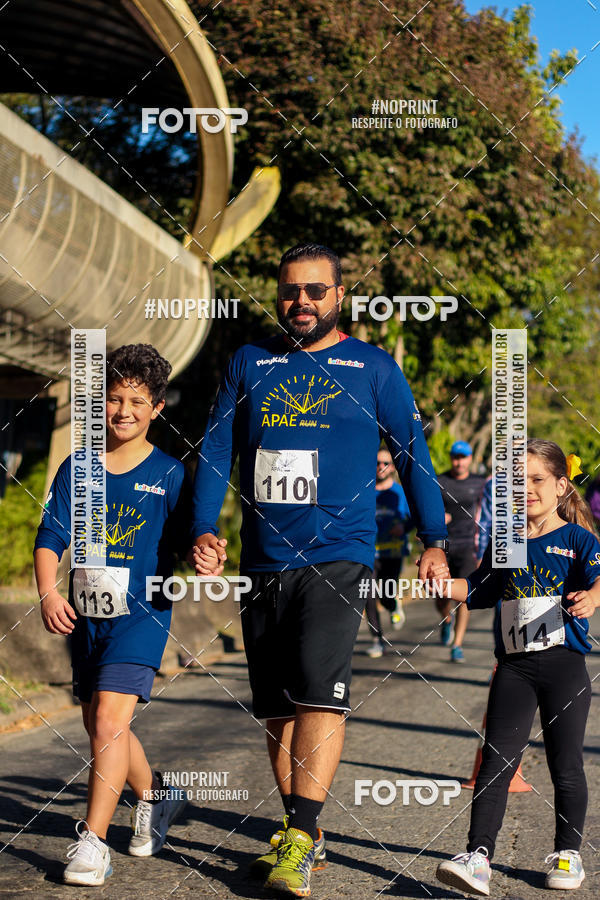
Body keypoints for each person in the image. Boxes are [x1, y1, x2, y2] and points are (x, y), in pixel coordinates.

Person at [190, 242, 448, 896]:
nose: (300, 301)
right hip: (263, 560)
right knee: (276, 711)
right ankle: (302, 830)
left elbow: (412, 454)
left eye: (315, 291)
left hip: (339, 554)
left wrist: (434, 537)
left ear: (338, 297)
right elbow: (216, 449)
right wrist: (202, 526)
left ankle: (302, 836)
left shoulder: (372, 368)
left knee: (317, 694)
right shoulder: (249, 363)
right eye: (290, 291)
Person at [34, 344, 219, 886]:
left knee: (111, 723)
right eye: (113, 399)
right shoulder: (79, 467)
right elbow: (50, 536)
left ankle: (93, 844)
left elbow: (191, 538)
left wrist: (205, 550)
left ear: (157, 407)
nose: (123, 411)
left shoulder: (170, 474)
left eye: (137, 401)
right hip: (87, 617)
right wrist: (48, 592)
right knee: (99, 723)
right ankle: (157, 796)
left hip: (142, 616)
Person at [431, 439, 600, 895]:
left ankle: (568, 855)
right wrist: (445, 582)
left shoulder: (577, 538)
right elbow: (483, 589)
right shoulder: (506, 541)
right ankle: (477, 857)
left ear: (562, 485)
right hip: (514, 668)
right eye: (515, 482)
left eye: (537, 480)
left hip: (564, 665)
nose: (525, 490)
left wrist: (594, 596)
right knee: (495, 762)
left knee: (565, 764)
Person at [435, 441, 486, 663]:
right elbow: (429, 508)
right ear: (451, 458)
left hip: (469, 545)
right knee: (441, 593)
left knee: (465, 596)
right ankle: (446, 619)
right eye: (456, 456)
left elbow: (488, 512)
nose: (459, 461)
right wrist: (438, 519)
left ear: (470, 458)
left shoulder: (480, 482)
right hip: (443, 545)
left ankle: (457, 644)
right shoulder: (440, 481)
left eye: (463, 457)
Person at [365, 447, 412, 658]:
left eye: (385, 463)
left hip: (393, 551)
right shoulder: (365, 491)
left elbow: (414, 518)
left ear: (392, 467)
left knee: (384, 595)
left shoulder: (400, 493)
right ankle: (377, 640)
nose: (380, 467)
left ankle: (393, 605)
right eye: (377, 463)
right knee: (368, 593)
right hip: (368, 552)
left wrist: (404, 527)